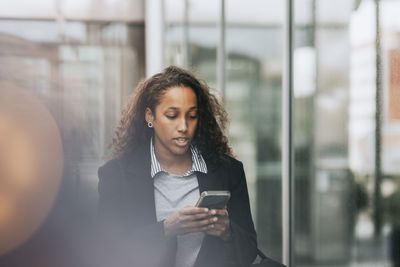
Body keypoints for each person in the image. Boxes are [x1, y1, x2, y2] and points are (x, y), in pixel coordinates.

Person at [97, 66, 257, 267]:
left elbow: (249, 251)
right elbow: (107, 251)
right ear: (150, 116)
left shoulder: (228, 171)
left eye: (191, 116)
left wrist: (227, 233)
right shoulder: (116, 174)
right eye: (172, 116)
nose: (183, 126)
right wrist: (167, 228)